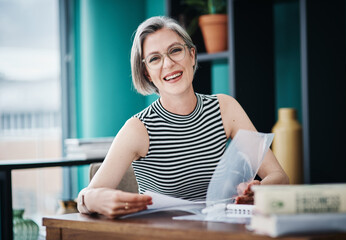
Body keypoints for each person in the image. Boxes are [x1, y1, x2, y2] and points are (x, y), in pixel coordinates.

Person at [77, 16, 289, 219]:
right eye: (154, 58)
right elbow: (84, 199)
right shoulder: (138, 128)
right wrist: (96, 199)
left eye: (175, 51)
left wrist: (260, 189)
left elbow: (280, 177)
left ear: (192, 55)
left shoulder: (225, 108)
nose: (168, 64)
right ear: (147, 74)